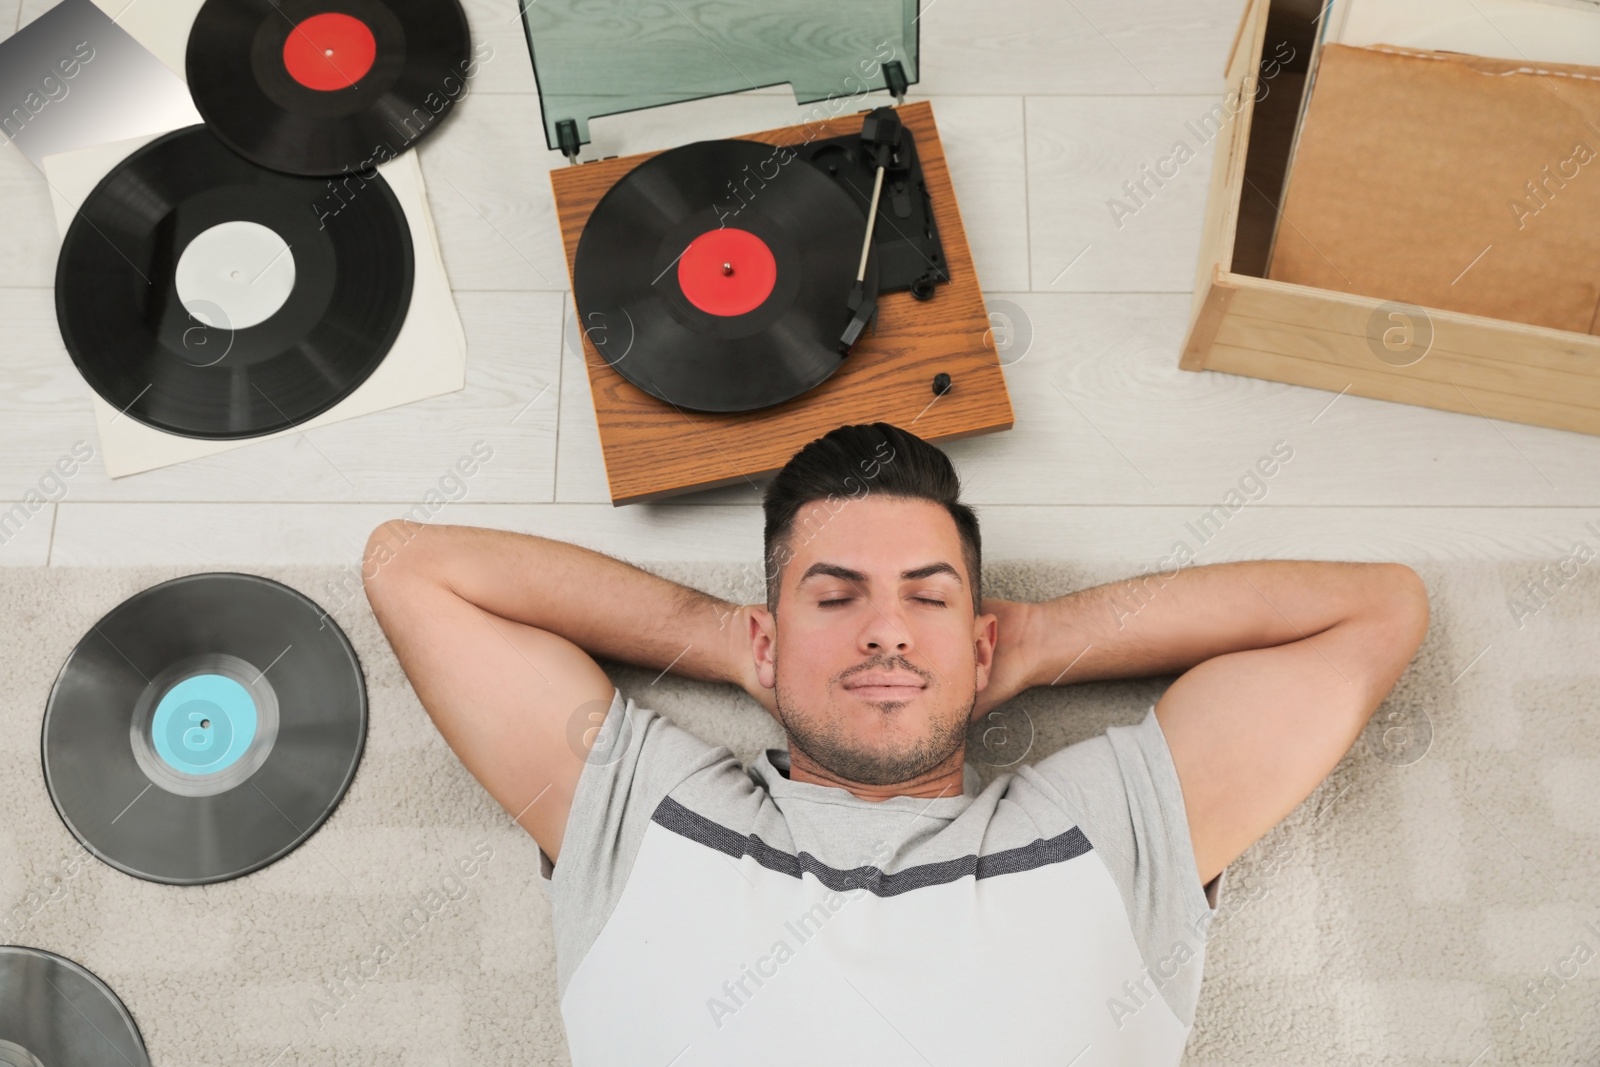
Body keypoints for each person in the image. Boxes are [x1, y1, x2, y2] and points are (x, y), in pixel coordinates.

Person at [362, 422, 1429, 1065]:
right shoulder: (648, 811)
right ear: (768, 634)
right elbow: (415, 567)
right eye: (836, 599)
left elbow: (1375, 611)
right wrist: (728, 644)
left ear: (981, 636)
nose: (884, 627)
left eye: (926, 598)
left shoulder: (1104, 826)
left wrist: (1039, 636)